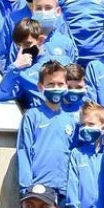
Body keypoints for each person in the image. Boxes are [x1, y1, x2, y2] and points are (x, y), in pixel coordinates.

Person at [15, 61, 76, 197]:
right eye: (50, 84)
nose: (56, 88)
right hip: (38, 188)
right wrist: (26, 187)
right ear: (40, 87)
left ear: (67, 86)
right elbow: (24, 151)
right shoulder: (32, 116)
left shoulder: (71, 120)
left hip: (64, 188)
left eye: (60, 84)